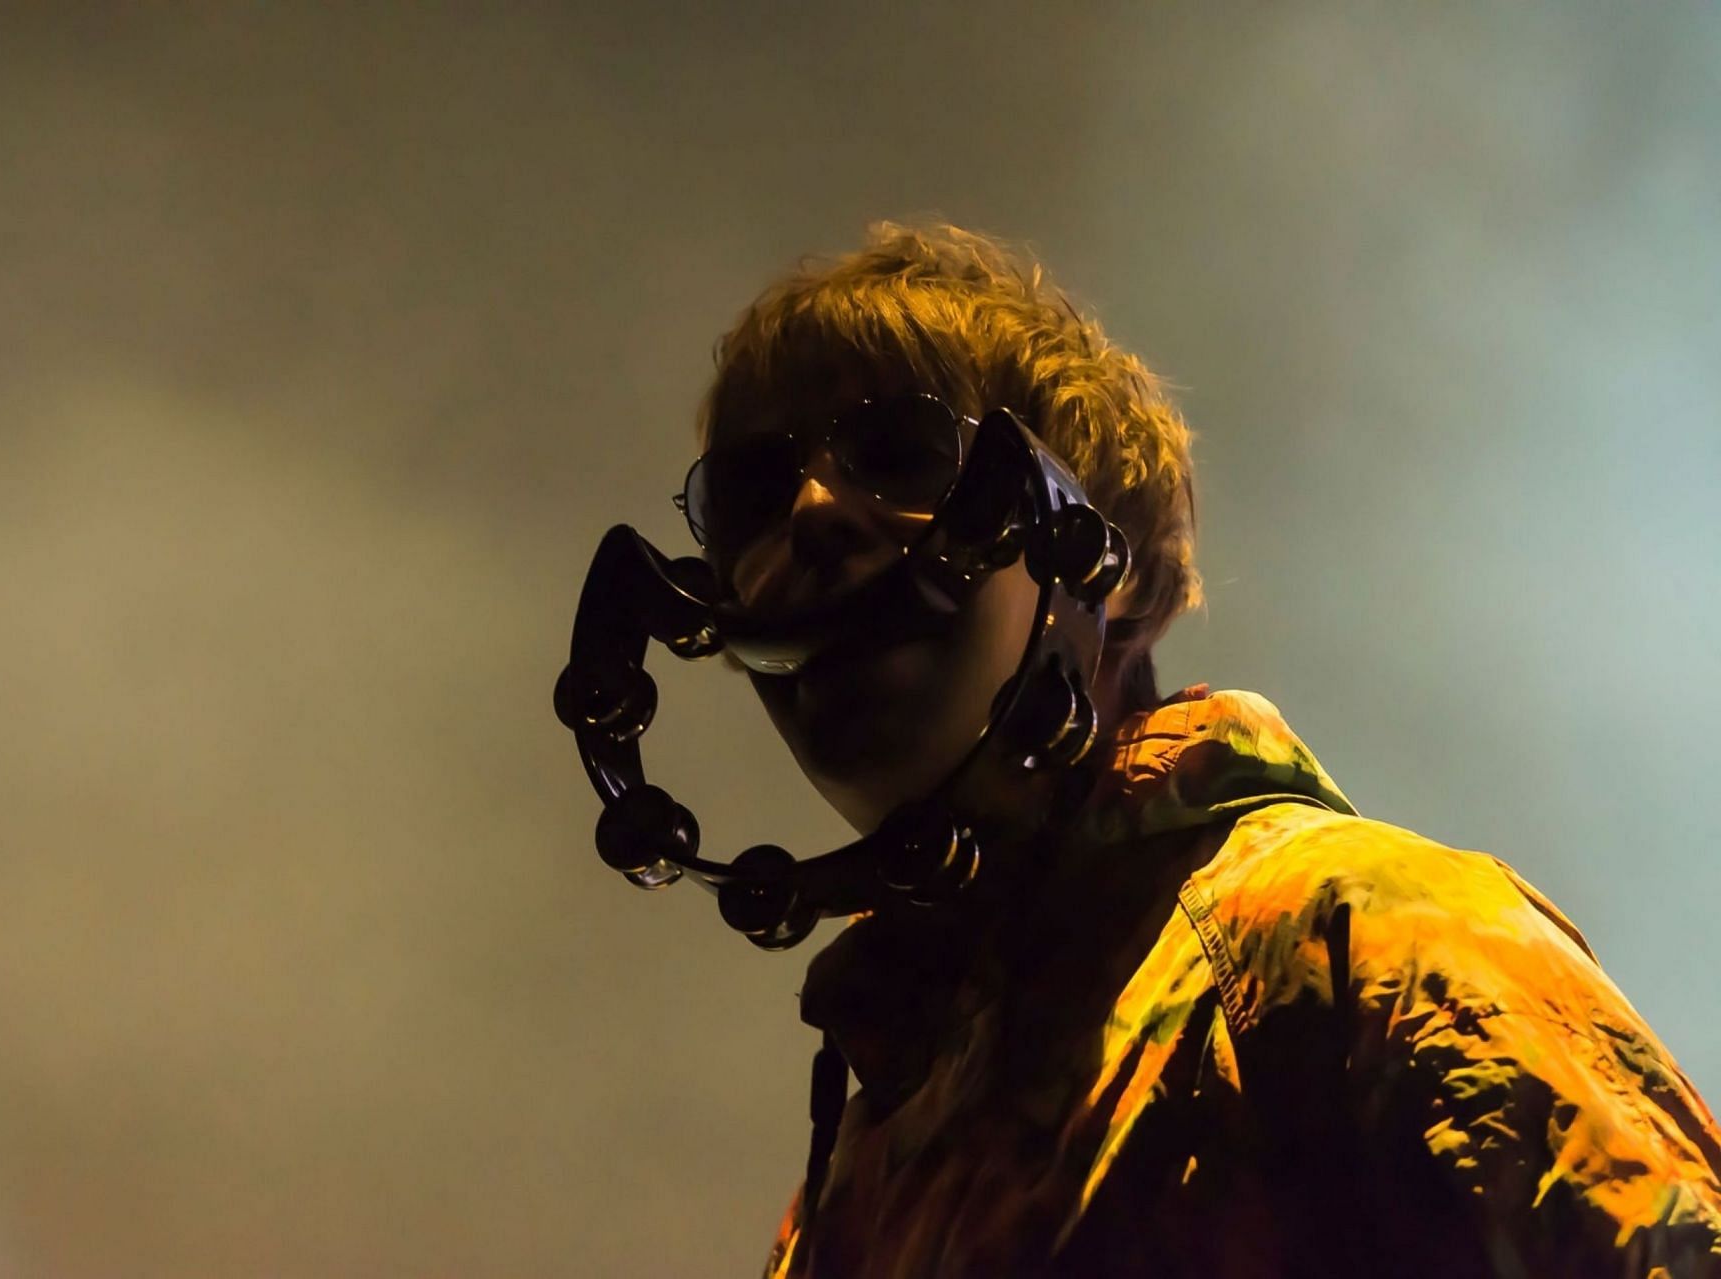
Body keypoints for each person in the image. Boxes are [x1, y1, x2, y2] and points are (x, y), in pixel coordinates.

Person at [677, 222, 1721, 1277]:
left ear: (1107, 563)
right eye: (753, 500)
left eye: (901, 454)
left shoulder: (1368, 943)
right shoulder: (857, 1181)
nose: (809, 516)